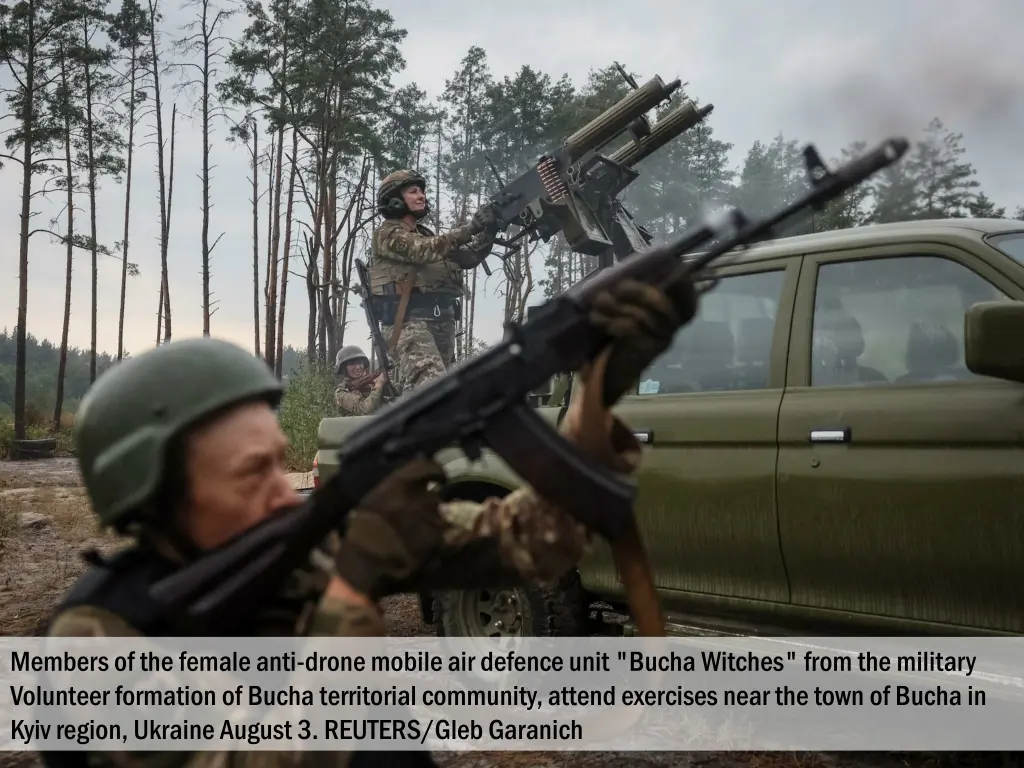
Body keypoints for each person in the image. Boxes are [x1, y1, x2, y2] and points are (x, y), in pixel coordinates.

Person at [42, 276, 698, 768]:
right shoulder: (96, 641)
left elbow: (540, 536)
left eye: (281, 463)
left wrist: (599, 386)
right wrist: (354, 593)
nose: (284, 492)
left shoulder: (307, 555)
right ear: (155, 496)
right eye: (251, 473)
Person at [369, 168, 497, 394]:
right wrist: (471, 227)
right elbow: (421, 250)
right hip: (409, 323)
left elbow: (468, 257)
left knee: (434, 394)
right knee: (433, 390)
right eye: (413, 191)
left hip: (442, 321)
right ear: (395, 200)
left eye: (422, 191)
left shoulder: (427, 234)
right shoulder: (386, 234)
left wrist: (491, 229)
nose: (422, 196)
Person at [334, 344, 388, 416]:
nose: (358, 367)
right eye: (352, 363)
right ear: (344, 368)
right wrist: (378, 386)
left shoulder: (371, 383)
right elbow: (363, 410)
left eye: (360, 362)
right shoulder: (341, 391)